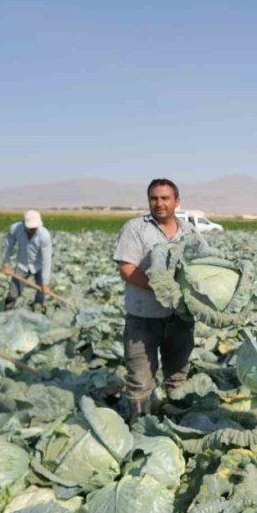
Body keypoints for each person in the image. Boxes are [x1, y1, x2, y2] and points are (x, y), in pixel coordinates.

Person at [113, 178, 196, 420]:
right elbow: (126, 270)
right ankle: (139, 429)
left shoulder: (189, 232)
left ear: (176, 202)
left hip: (180, 319)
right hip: (144, 318)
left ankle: (177, 424)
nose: (159, 203)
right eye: (154, 198)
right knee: (140, 381)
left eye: (165, 198)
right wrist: (162, 287)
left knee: (178, 378)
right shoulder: (135, 228)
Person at [2, 210, 53, 312]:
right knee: (13, 293)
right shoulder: (15, 229)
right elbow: (8, 247)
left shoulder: (44, 235)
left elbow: (47, 260)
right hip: (22, 264)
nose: (32, 230)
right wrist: (6, 264)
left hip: (40, 265)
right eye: (29, 228)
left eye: (34, 228)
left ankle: (38, 308)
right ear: (23, 223)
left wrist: (45, 283)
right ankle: (7, 311)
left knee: (41, 292)